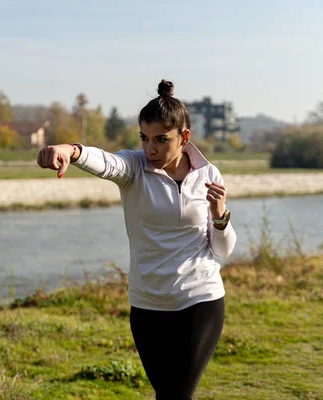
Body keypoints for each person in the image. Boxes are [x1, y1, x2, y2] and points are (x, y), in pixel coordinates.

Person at [37, 79, 237, 399]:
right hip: (147, 305)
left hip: (200, 300)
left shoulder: (209, 174)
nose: (151, 149)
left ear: (184, 137)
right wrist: (71, 151)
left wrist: (219, 213)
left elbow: (223, 250)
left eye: (161, 139)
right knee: (165, 394)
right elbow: (105, 162)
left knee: (177, 395)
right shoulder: (134, 169)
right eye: (144, 138)